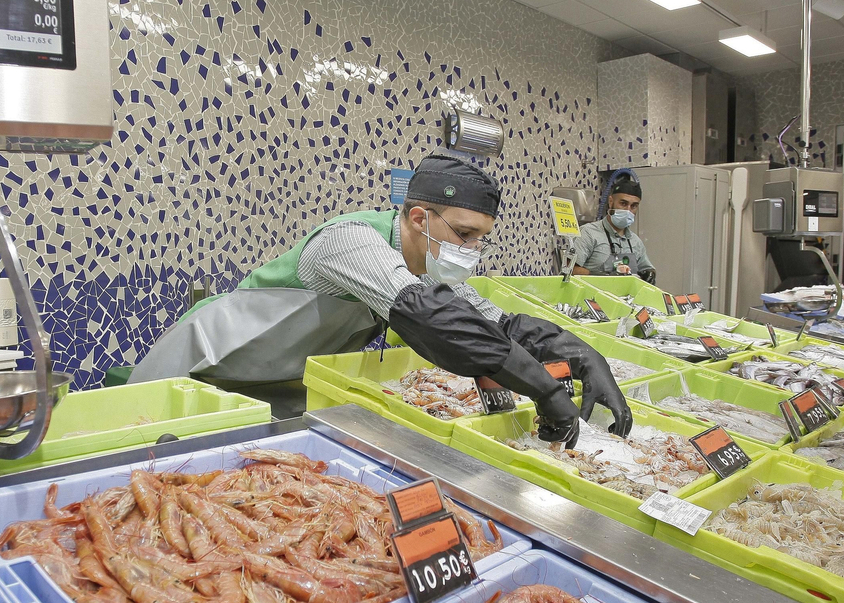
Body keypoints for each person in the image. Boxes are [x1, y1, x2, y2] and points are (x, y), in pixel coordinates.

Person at [128, 153, 634, 446]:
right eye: (462, 234)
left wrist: (580, 354)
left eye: (481, 238)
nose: (471, 251)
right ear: (418, 219)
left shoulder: (423, 263)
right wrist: (544, 391)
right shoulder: (351, 241)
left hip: (274, 388)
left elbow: (493, 325)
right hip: (199, 373)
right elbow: (430, 318)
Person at [573, 170, 656, 283]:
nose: (628, 210)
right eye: (623, 203)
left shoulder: (635, 242)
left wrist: (650, 273)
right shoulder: (589, 233)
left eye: (634, 206)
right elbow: (571, 270)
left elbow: (646, 268)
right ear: (611, 201)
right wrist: (599, 275)